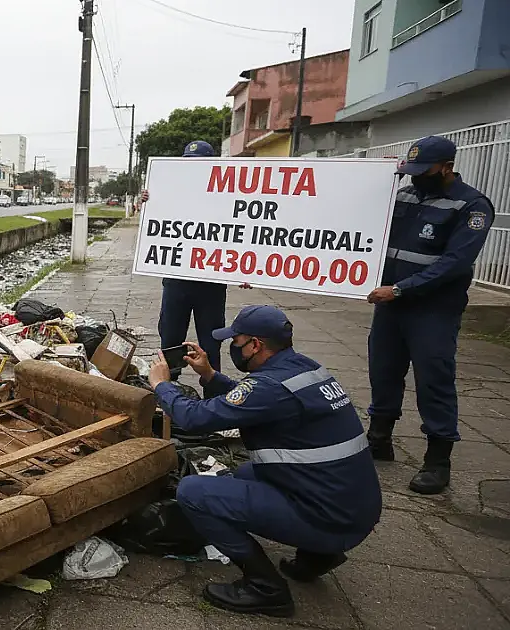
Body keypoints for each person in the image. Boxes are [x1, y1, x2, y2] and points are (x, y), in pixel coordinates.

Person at [148, 305, 382, 617]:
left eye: (236, 341)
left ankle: (265, 588)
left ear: (255, 345)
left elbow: (194, 418)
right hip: (353, 507)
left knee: (193, 492)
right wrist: (209, 375)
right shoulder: (304, 368)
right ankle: (318, 555)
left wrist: (161, 385)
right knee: (248, 472)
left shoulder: (269, 387)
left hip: (332, 519)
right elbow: (251, 401)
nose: (233, 347)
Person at [365, 136, 495, 495]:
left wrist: (401, 288)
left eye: (424, 170)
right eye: (412, 170)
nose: (416, 176)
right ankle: (379, 439)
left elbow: (455, 262)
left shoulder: (471, 205)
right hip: (390, 305)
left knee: (433, 380)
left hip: (433, 308)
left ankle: (438, 461)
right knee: (383, 371)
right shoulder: (404, 196)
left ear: (446, 168)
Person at [141, 140, 231, 386]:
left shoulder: (227, 196)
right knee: (170, 339)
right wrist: (149, 202)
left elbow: (241, 231)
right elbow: (157, 224)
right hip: (177, 280)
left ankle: (213, 392)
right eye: (189, 163)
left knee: (211, 342)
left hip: (211, 282)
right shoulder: (170, 190)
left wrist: (245, 271)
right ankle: (168, 390)